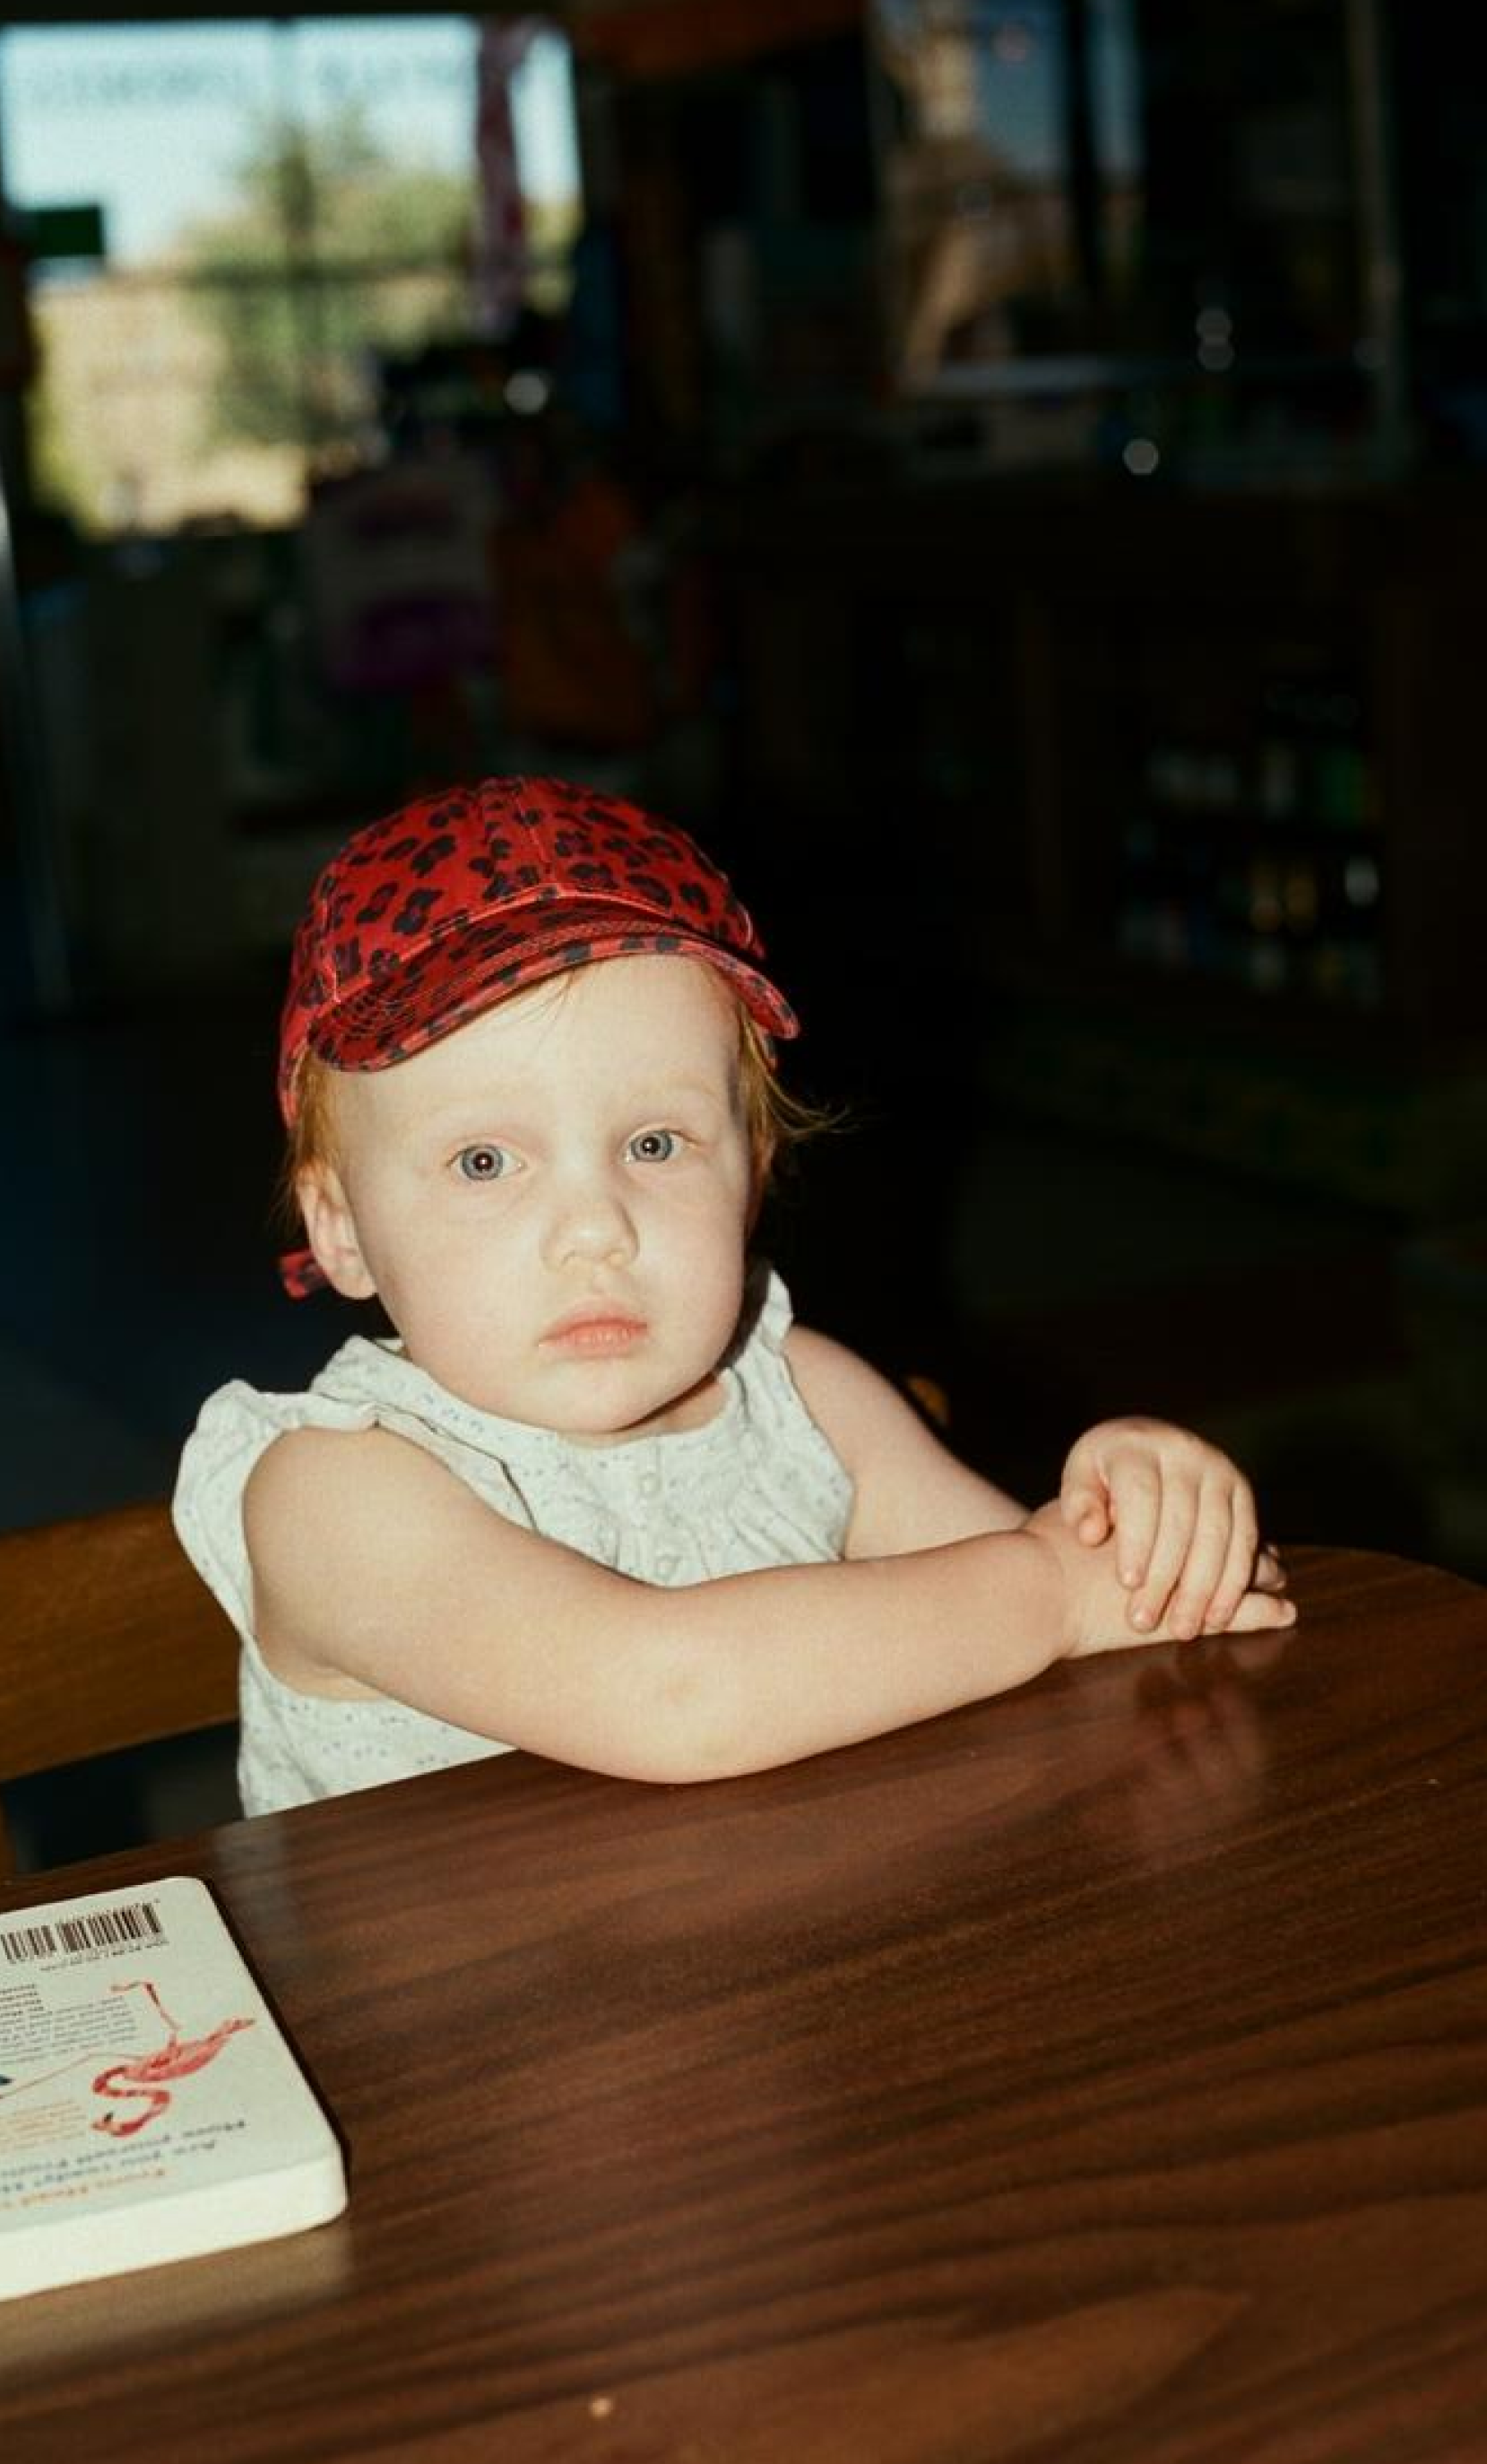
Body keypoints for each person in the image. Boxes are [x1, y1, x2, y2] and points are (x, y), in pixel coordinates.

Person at [175, 776, 1292, 1816]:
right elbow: (674, 1694)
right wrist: (1052, 1586)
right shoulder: (332, 1492)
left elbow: (1065, 1608)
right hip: (427, 2025)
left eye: (654, 1142)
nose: (594, 1230)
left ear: (754, 1172)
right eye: (483, 1162)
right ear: (342, 1230)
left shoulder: (808, 1396)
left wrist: (1143, 1533)